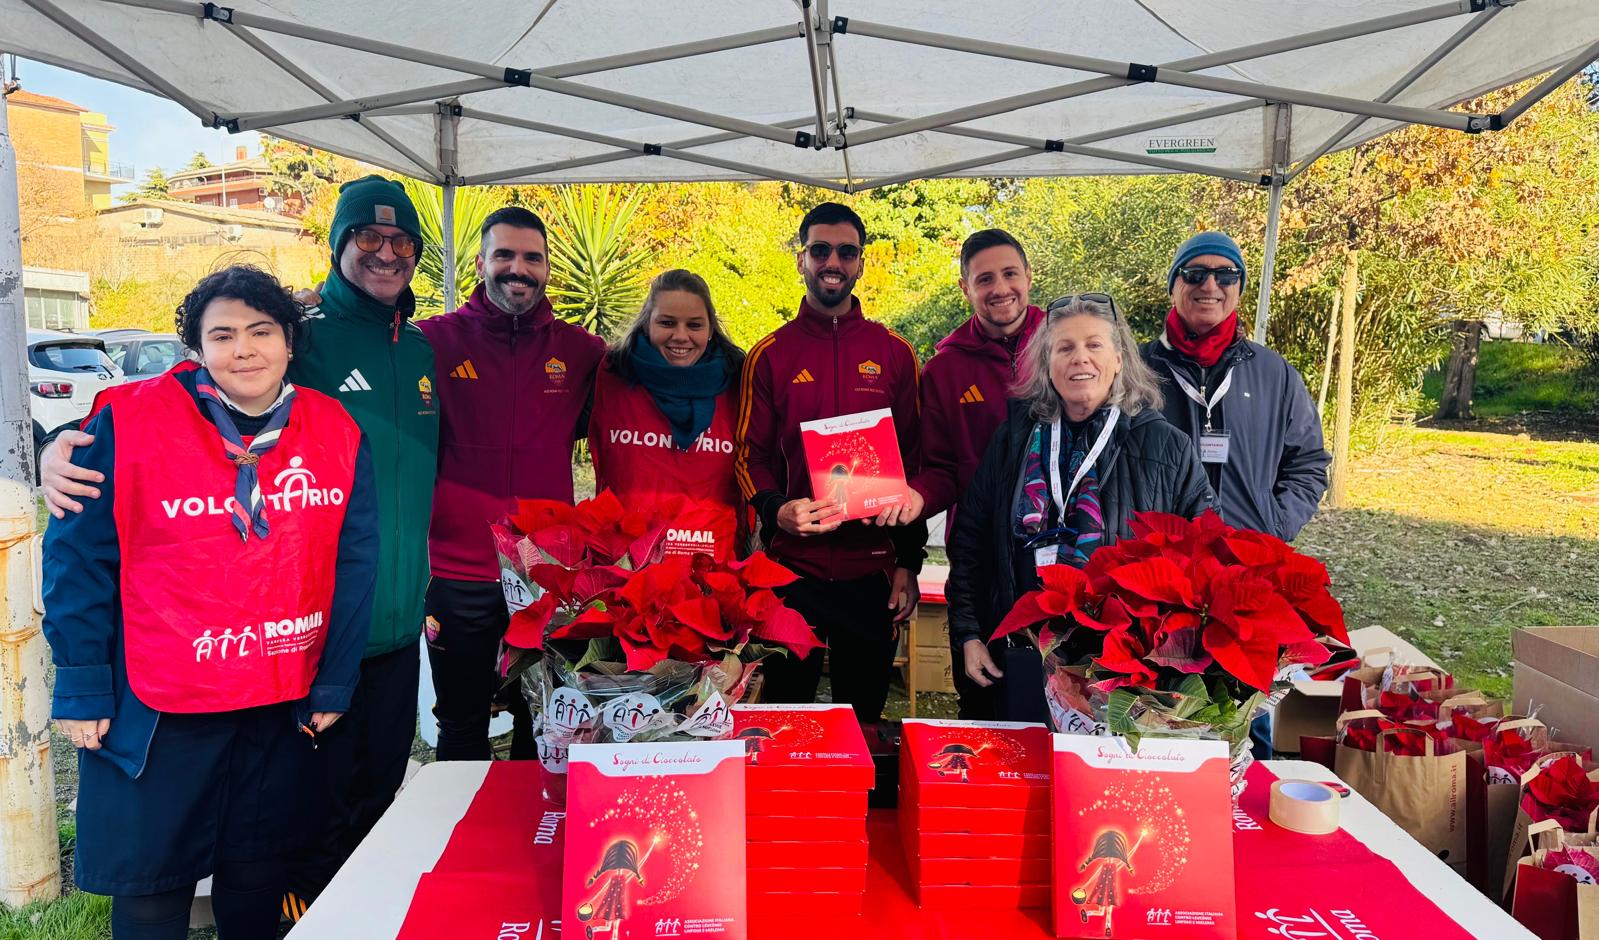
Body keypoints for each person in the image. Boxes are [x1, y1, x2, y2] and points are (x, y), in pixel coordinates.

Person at [42, 175, 439, 916]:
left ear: (291, 342)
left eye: (261, 332)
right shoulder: (129, 420)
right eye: (221, 335)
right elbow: (76, 556)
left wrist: (335, 679)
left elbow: (354, 562)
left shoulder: (336, 423)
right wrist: (83, 680)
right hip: (166, 692)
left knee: (259, 875)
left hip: (282, 689)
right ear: (192, 346)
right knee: (153, 886)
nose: (244, 349)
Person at [946, 294, 1213, 721]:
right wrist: (969, 634)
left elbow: (1204, 558)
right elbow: (971, 542)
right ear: (1047, 363)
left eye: (1094, 345)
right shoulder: (1014, 440)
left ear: (1120, 358)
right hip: (1021, 653)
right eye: (1064, 348)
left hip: (1121, 671)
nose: (1079, 359)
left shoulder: (1166, 448)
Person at [418, 206, 605, 761]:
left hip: (545, 571)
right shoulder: (431, 341)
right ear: (481, 262)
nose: (517, 268)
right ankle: (464, 839)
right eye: (504, 255)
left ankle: (532, 835)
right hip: (458, 569)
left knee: (546, 722)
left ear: (548, 268)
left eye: (531, 258)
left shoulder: (582, 353)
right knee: (461, 720)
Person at [734, 202, 926, 723]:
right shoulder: (770, 354)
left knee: (861, 721)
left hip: (872, 573)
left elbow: (914, 460)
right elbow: (748, 455)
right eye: (820, 250)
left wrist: (908, 562)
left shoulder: (894, 352)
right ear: (802, 259)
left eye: (846, 251)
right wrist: (778, 511)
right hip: (793, 570)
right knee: (785, 721)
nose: (832, 261)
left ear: (861, 262)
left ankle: (856, 806)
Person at [910, 228, 1046, 719]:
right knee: (989, 713)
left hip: (1061, 563)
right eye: (984, 278)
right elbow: (940, 469)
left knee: (1067, 718)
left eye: (1010, 273)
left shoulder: (1065, 346)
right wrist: (916, 498)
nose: (999, 288)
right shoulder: (944, 370)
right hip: (981, 566)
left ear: (1029, 277)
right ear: (966, 288)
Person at [1141, 231, 1330, 541]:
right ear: (1173, 287)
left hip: (1248, 557)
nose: (1210, 285)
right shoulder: (1136, 369)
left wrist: (1277, 525)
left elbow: (1308, 462)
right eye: (1194, 274)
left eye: (1226, 276)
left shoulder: (1274, 374)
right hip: (1161, 560)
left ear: (1239, 288)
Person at [588, 269, 745, 560]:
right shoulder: (613, 373)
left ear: (711, 329)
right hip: (625, 563)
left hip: (710, 568)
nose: (681, 336)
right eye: (667, 323)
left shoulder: (739, 379)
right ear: (647, 324)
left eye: (694, 325)